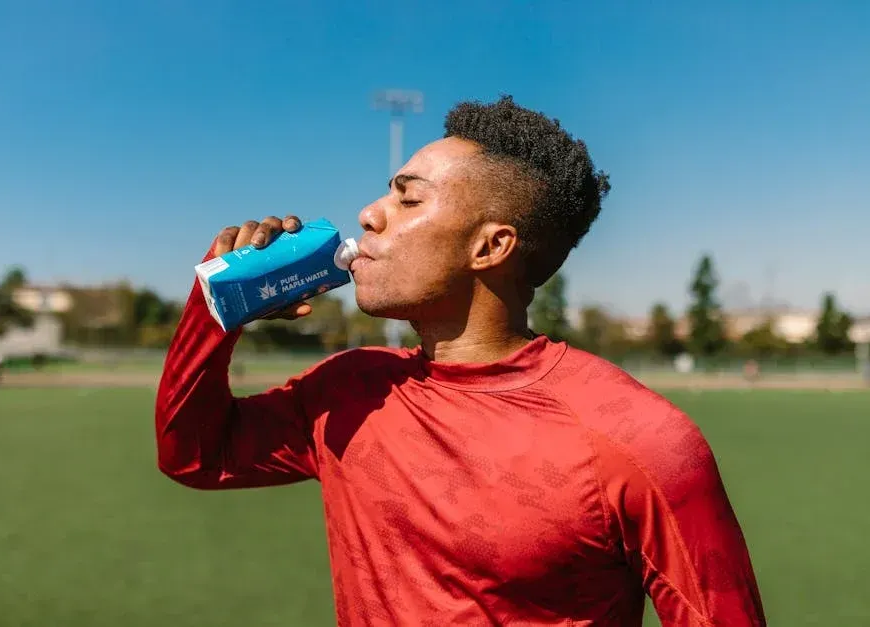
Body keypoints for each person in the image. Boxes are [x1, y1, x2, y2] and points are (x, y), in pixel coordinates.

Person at [156, 95, 766, 626]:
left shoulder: (637, 440)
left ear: (489, 246)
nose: (369, 213)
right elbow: (196, 455)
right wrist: (217, 308)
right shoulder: (350, 392)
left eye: (408, 199)